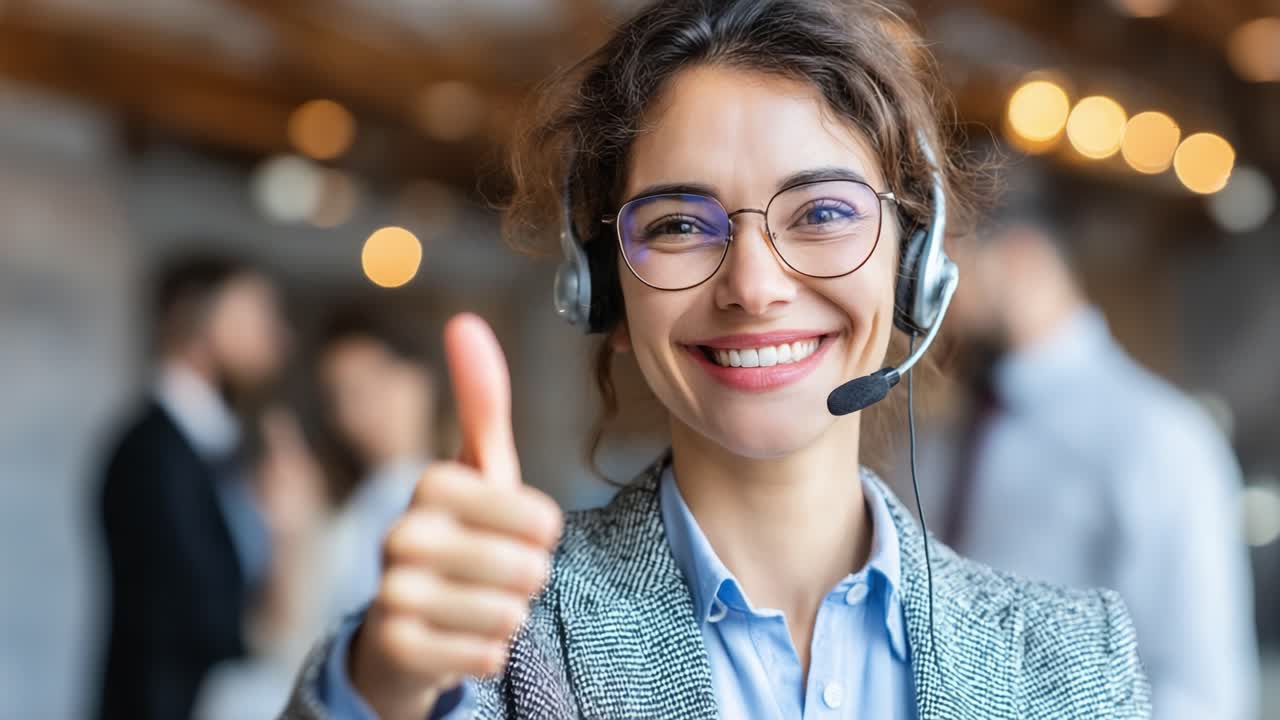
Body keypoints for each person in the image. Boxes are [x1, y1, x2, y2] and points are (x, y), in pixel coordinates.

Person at [284, 1, 1151, 718]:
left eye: (821, 213)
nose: (754, 286)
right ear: (606, 294)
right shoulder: (503, 643)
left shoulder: (1069, 657)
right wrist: (382, 687)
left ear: (912, 264)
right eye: (678, 225)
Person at [921, 196, 1258, 719]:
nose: (939, 314)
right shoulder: (946, 437)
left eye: (948, 274)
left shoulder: (1158, 438)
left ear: (1020, 260)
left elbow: (1199, 692)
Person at [97, 254, 313, 720]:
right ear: (196, 318)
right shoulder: (151, 453)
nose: (278, 335)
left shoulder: (219, 446)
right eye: (257, 313)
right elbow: (192, 619)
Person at [194, 309, 437, 720]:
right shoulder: (343, 510)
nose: (359, 410)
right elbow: (286, 637)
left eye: (372, 382)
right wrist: (289, 536)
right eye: (341, 395)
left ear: (420, 379)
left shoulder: (445, 493)